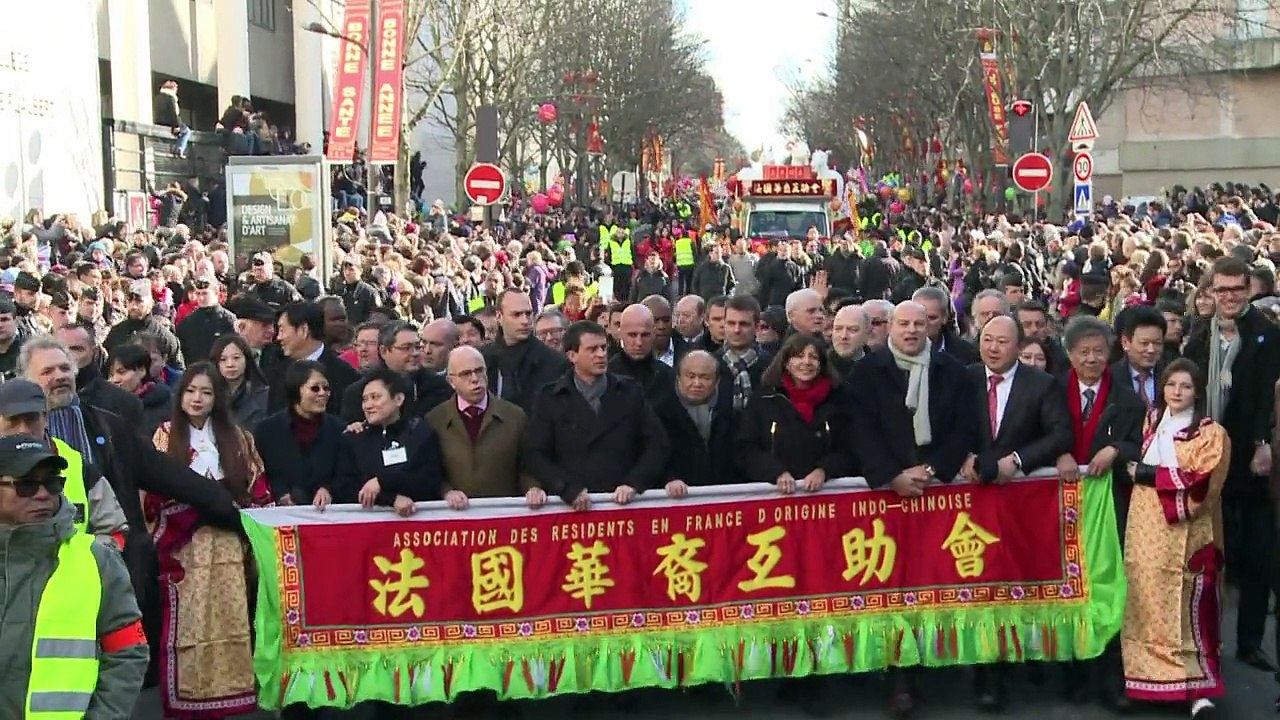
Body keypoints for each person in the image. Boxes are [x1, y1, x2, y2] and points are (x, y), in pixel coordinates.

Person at [962, 316, 1073, 711]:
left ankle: (1010, 668)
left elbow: (1061, 434)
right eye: (987, 340)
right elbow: (948, 427)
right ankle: (980, 674)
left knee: (1010, 583)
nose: (993, 348)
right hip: (970, 506)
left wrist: (1020, 460)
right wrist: (963, 456)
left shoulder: (1041, 384)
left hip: (1019, 503)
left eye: (1002, 342)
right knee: (975, 587)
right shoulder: (966, 378)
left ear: (1018, 345)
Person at [147, 363, 271, 718]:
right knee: (189, 619)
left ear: (217, 397)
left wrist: (239, 509)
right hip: (183, 544)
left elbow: (258, 490)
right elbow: (154, 494)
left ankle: (233, 692)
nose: (197, 399)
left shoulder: (238, 437)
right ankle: (189, 694)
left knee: (232, 616)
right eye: (190, 391)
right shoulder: (166, 435)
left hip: (230, 542)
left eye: (206, 392)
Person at [0, 434, 148, 719]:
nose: (43, 494)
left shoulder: (95, 558)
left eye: (53, 482)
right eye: (26, 484)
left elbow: (129, 652)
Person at [1185, 256, 1280, 672]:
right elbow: (1184, 384)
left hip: (1249, 456)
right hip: (1206, 457)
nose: (1228, 297)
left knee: (1258, 554)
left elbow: (1266, 395)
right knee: (1207, 556)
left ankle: (1250, 642)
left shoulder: (1267, 334)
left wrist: (1262, 442)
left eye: (1236, 289)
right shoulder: (1199, 335)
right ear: (1211, 292)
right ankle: (1205, 640)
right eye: (1221, 290)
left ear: (1248, 289)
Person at [1121, 359, 1229, 719]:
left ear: (1197, 391)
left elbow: (1202, 483)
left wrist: (1149, 474)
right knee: (1144, 600)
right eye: (1171, 385)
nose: (1177, 392)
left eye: (1185, 386)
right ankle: (1148, 683)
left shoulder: (1212, 433)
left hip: (1187, 532)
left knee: (1188, 606)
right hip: (1145, 526)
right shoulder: (1152, 420)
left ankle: (1197, 692)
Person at [1055, 315, 1145, 709]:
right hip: (1060, 508)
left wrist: (1117, 449)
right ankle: (1074, 675)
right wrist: (1057, 453)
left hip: (1111, 506)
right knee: (1068, 587)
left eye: (1099, 351)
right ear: (1070, 354)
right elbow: (1038, 435)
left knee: (1109, 586)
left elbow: (1142, 444)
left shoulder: (1127, 398)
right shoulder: (1052, 391)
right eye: (1084, 352)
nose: (1092, 359)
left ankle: (1112, 678)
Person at [525, 321, 669, 509]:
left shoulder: (630, 392)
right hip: (572, 508)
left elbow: (657, 445)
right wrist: (567, 488)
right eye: (592, 349)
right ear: (572, 355)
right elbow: (536, 454)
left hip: (623, 505)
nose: (601, 354)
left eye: (603, 348)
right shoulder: (549, 398)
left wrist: (634, 483)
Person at [0, 378, 128, 546]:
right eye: (13, 421)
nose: (24, 430)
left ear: (45, 418)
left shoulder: (77, 465)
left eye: (31, 419)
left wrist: (87, 558)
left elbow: (114, 530)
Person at [428, 346, 545, 509]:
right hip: (456, 519)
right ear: (451, 381)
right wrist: (446, 492)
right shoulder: (436, 419)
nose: (475, 379)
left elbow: (529, 463)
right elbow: (430, 470)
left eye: (479, 370)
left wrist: (533, 487)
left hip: (504, 517)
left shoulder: (514, 416)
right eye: (465, 374)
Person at [737, 334, 856, 490]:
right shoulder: (763, 400)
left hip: (825, 496)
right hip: (775, 495)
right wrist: (776, 472)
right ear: (786, 363)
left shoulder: (838, 400)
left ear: (821, 364)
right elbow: (747, 449)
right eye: (799, 356)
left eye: (813, 357)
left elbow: (848, 448)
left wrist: (824, 470)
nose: (806, 362)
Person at [336, 368, 444, 515]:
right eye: (365, 399)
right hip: (368, 528)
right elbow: (346, 487)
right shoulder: (354, 438)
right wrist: (390, 499)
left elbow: (429, 480)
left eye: (375, 397)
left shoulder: (420, 432)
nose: (368, 405)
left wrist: (382, 481)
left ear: (398, 399)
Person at [255, 361, 345, 508]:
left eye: (326, 388)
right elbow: (261, 474)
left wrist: (328, 489)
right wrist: (280, 493)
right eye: (315, 388)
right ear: (296, 390)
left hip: (326, 514)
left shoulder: (339, 429)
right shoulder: (266, 431)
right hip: (280, 516)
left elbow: (345, 473)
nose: (323, 393)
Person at [655, 350, 740, 493]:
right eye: (690, 376)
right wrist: (668, 478)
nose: (697, 383)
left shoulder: (731, 415)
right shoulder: (659, 413)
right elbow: (652, 455)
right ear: (678, 378)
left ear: (717, 381)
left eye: (705, 377)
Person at [339, 321, 452, 423]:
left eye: (417, 347)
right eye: (406, 348)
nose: (415, 353)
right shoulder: (358, 392)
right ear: (384, 351)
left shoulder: (438, 387)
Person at [483, 289, 569, 414]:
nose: (524, 321)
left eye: (528, 314)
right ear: (499, 316)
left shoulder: (555, 363)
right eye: (516, 315)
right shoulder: (482, 359)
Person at [267, 301, 359, 414]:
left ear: (304, 330)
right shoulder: (276, 368)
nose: (278, 337)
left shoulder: (344, 375)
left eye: (282, 330)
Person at [54, 323, 144, 428]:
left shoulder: (124, 403)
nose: (67, 356)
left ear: (94, 352)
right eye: (60, 350)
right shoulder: (39, 397)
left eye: (76, 349)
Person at [609, 304, 676, 405]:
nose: (639, 342)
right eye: (632, 335)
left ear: (654, 334)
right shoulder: (607, 376)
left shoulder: (667, 376)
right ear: (621, 334)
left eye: (645, 335)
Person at [106, 343, 172, 437]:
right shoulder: (104, 404)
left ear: (142, 370)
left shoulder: (165, 404)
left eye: (122, 372)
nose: (115, 380)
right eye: (111, 375)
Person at [718, 295, 770, 410]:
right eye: (731, 323)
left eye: (744, 324)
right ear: (724, 324)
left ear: (757, 327)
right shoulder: (711, 365)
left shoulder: (771, 367)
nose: (737, 330)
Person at [211, 334, 270, 430]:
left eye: (236, 358)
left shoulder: (264, 395)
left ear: (247, 359)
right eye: (223, 359)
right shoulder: (210, 395)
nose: (230, 364)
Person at [176, 276, 237, 364]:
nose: (201, 298)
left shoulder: (228, 320)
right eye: (198, 294)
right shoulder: (187, 323)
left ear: (216, 293)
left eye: (205, 293)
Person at [829, 303, 868, 378]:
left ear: (867, 333)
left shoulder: (880, 369)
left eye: (853, 330)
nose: (844, 336)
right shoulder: (820, 368)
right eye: (838, 329)